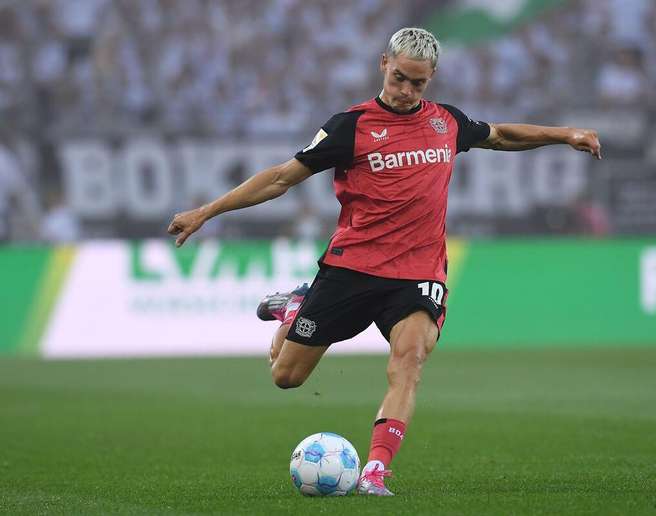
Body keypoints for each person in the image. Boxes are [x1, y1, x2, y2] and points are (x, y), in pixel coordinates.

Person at [167, 27, 601, 496]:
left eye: (417, 83)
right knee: (286, 375)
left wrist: (565, 134)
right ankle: (297, 306)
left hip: (418, 272)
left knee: (410, 359)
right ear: (383, 64)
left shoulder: (446, 123)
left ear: (431, 77)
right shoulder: (349, 127)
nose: (405, 91)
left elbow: (501, 135)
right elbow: (279, 179)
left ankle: (375, 469)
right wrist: (206, 212)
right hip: (352, 268)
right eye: (399, 78)